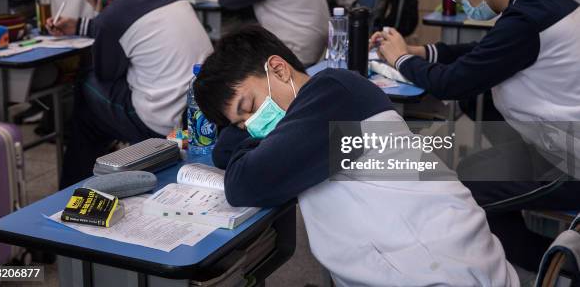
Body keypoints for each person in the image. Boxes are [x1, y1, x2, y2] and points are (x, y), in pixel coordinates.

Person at [192, 25, 519, 286]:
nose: (252, 126)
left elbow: (244, 183)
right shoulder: (314, 108)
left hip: (440, 272)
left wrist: (241, 136)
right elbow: (226, 152)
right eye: (241, 123)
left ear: (278, 69)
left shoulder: (334, 95)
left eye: (249, 107)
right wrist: (243, 128)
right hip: (425, 264)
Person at [371, 0, 580, 271]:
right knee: (471, 170)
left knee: (471, 191)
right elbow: (485, 51)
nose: (460, 3)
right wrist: (419, 51)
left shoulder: (526, 18)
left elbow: (453, 84)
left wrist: (400, 60)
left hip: (568, 160)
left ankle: (561, 267)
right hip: (553, 143)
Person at [48, 0, 213, 188]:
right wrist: (83, 25)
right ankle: (109, 159)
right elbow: (133, 30)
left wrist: (101, 15)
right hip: (200, 111)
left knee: (85, 85)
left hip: (160, 122)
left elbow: (106, 74)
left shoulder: (113, 16)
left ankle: (74, 185)